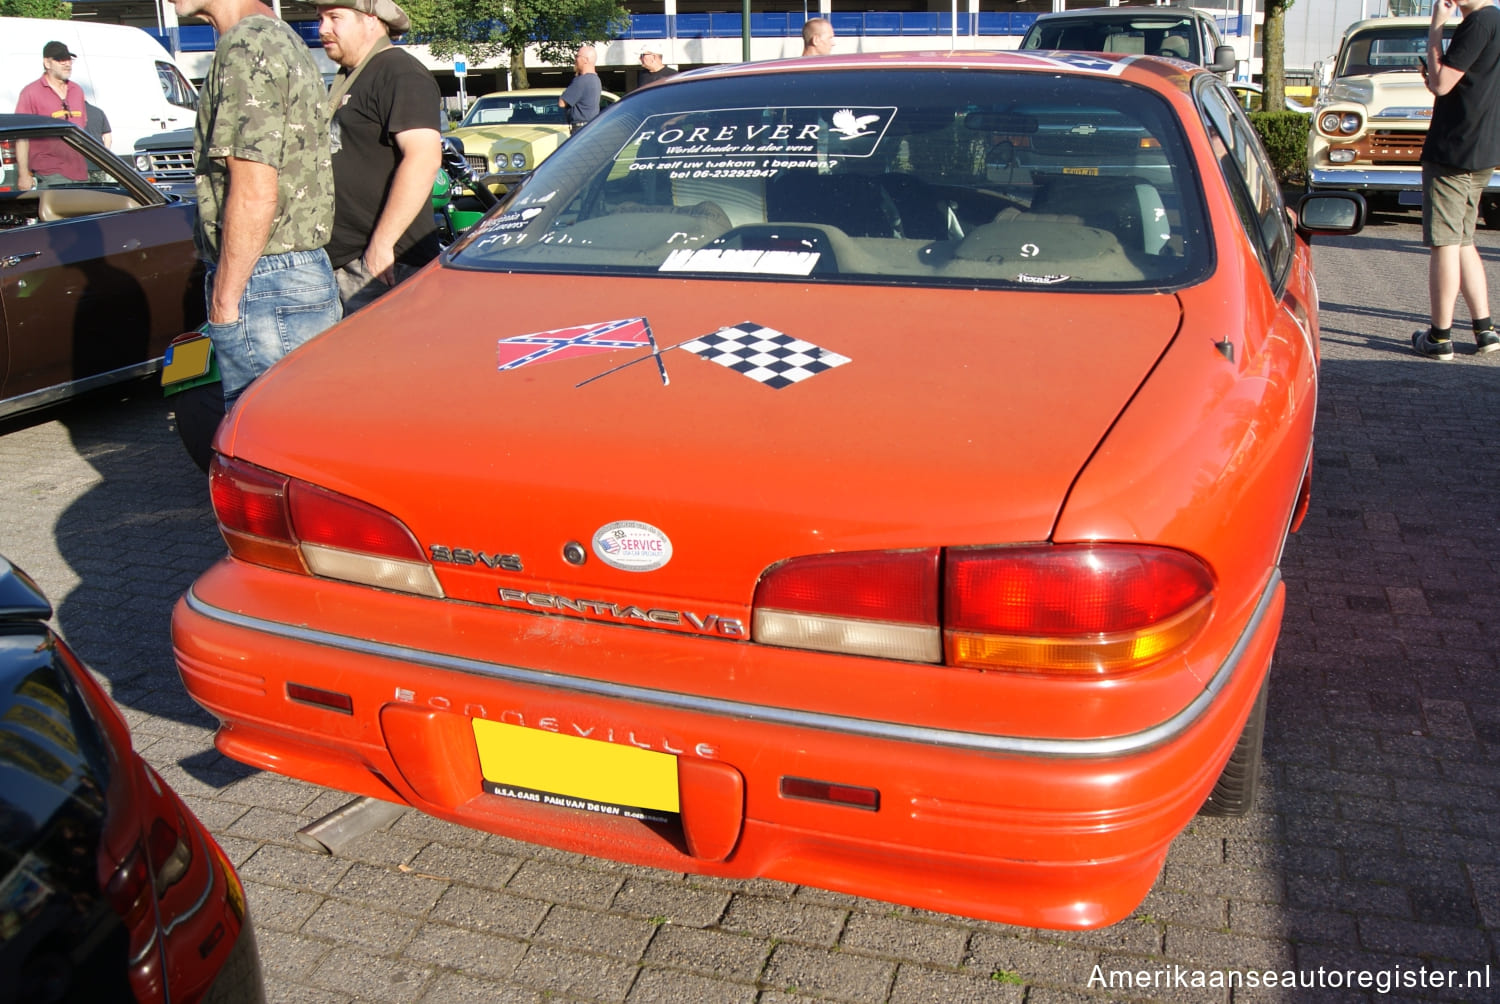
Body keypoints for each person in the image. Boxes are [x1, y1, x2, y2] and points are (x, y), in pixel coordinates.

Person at [174, 0, 341, 406]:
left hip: (266, 277)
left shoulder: (246, 45)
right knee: (305, 437)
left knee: (262, 442)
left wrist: (225, 299)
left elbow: (254, 187)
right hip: (292, 272)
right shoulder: (282, 38)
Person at [315, 0, 443, 313]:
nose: (322, 29)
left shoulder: (400, 72)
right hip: (348, 264)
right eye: (320, 18)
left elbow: (424, 158)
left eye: (334, 17)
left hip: (381, 268)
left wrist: (382, 245)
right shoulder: (352, 75)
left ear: (371, 20)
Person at [1413, 0, 1500, 360]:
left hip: (1453, 149)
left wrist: (1436, 26)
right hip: (1481, 149)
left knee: (1445, 243)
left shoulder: (1477, 23)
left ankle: (1439, 336)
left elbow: (1441, 84)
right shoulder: (1494, 21)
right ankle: (1485, 331)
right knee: (1464, 240)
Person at [13, 41, 88, 189]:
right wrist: (23, 174)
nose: (67, 64)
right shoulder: (31, 93)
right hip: (49, 173)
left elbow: (82, 130)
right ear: (47, 63)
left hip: (80, 172)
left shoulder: (77, 90)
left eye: (69, 59)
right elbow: (21, 137)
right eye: (60, 60)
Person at [559, 46, 601, 134]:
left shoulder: (581, 80)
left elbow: (562, 103)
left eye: (577, 56)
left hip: (580, 129)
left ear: (585, 60)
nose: (575, 60)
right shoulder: (596, 79)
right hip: (592, 127)